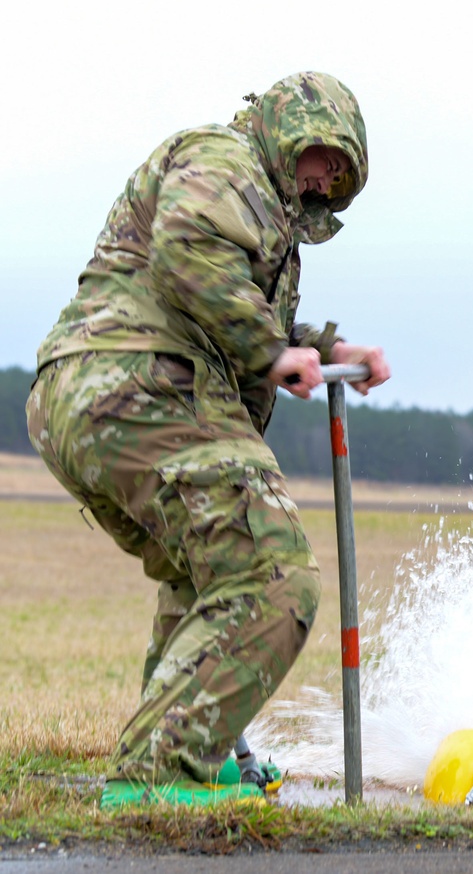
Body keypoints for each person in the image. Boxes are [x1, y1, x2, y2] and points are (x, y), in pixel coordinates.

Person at [25, 72, 390, 806]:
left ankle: (202, 752)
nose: (324, 174)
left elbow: (231, 299)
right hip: (139, 384)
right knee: (272, 571)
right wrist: (268, 348)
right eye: (320, 153)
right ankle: (160, 773)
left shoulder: (255, 205)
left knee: (210, 574)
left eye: (340, 171)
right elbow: (188, 249)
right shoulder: (226, 160)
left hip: (97, 394)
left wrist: (319, 345)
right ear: (288, 127)